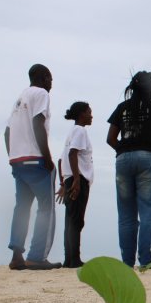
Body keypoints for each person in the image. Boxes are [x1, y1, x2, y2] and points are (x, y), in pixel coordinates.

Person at [107, 71, 151, 268]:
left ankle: (127, 263)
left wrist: (122, 150)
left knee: (126, 214)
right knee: (148, 211)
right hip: (148, 157)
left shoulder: (122, 107)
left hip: (123, 160)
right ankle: (146, 261)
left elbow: (110, 138)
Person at [4, 64, 61, 270]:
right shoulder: (41, 94)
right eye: (51, 79)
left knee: (22, 208)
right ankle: (37, 256)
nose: (51, 84)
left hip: (18, 160)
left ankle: (17, 255)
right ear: (44, 78)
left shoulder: (20, 97)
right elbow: (38, 123)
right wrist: (46, 157)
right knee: (47, 208)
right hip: (35, 159)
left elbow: (7, 132)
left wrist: (13, 156)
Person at [56, 102, 94, 268]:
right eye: (89, 112)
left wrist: (63, 182)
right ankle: (74, 259)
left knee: (71, 220)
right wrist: (77, 181)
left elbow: (60, 160)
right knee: (76, 220)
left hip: (70, 178)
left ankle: (69, 259)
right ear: (81, 114)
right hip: (78, 179)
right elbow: (72, 154)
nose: (91, 116)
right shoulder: (80, 130)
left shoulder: (72, 132)